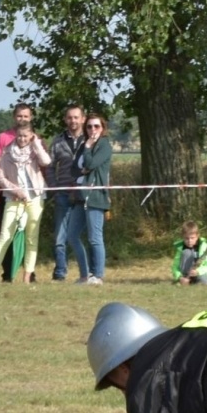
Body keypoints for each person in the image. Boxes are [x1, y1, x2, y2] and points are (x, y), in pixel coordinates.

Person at [0, 121, 51, 284]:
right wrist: (15, 190)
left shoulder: (35, 150)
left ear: (31, 136)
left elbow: (46, 161)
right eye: (19, 136)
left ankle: (27, 276)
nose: (22, 139)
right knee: (5, 235)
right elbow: (0, 177)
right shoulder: (7, 152)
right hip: (13, 198)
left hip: (35, 197)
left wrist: (36, 143)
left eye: (25, 136)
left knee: (31, 237)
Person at [72, 114, 112, 285]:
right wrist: (83, 167)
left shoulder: (105, 146)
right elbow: (74, 168)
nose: (92, 130)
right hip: (81, 197)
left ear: (102, 128)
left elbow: (91, 164)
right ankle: (85, 274)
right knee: (71, 235)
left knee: (95, 237)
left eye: (96, 126)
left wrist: (88, 149)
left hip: (96, 196)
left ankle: (98, 275)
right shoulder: (83, 145)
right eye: (89, 126)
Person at [49, 105, 86, 281]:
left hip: (84, 194)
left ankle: (87, 271)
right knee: (60, 236)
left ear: (82, 119)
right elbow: (49, 166)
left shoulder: (90, 140)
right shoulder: (57, 141)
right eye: (70, 117)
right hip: (63, 192)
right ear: (65, 120)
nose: (73, 121)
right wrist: (54, 187)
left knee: (84, 236)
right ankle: (60, 271)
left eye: (76, 117)